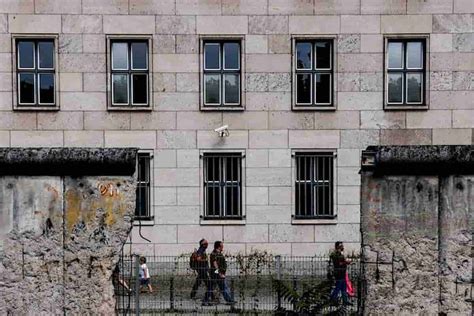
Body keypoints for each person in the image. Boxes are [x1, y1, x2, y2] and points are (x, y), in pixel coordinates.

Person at [209, 241, 235, 305]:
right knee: (218, 287)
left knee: (221, 287)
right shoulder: (214, 254)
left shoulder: (219, 253)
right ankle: (229, 300)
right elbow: (215, 265)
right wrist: (219, 273)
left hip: (219, 273)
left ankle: (229, 300)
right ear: (218, 246)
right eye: (222, 246)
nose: (223, 247)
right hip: (216, 273)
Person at [190, 239, 213, 305]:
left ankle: (192, 295)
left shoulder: (202, 250)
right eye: (206, 243)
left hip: (201, 270)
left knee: (198, 282)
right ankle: (211, 297)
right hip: (202, 270)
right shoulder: (201, 250)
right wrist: (205, 260)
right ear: (203, 244)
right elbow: (198, 259)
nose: (207, 244)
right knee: (209, 284)